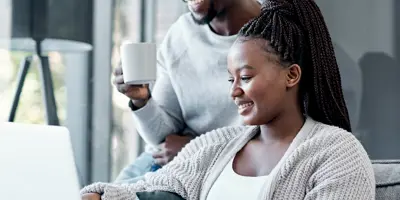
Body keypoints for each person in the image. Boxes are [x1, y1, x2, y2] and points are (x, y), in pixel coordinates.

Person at [82, 0, 375, 199]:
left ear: (292, 75)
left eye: (245, 78)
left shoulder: (337, 154)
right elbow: (148, 187)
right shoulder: (215, 147)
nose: (233, 91)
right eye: (230, 79)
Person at [113, 0, 262, 183]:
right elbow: (162, 140)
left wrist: (195, 150)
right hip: (167, 163)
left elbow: (276, 140)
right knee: (93, 193)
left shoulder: (276, 32)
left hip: (215, 170)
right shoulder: (180, 34)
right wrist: (142, 101)